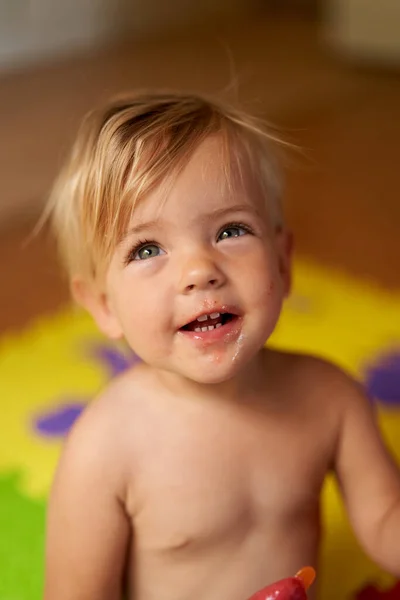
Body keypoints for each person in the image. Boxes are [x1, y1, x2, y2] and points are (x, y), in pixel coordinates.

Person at [43, 91, 400, 600]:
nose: (199, 270)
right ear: (102, 304)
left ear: (282, 261)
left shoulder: (330, 398)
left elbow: (385, 518)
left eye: (231, 230)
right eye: (147, 249)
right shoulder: (106, 448)